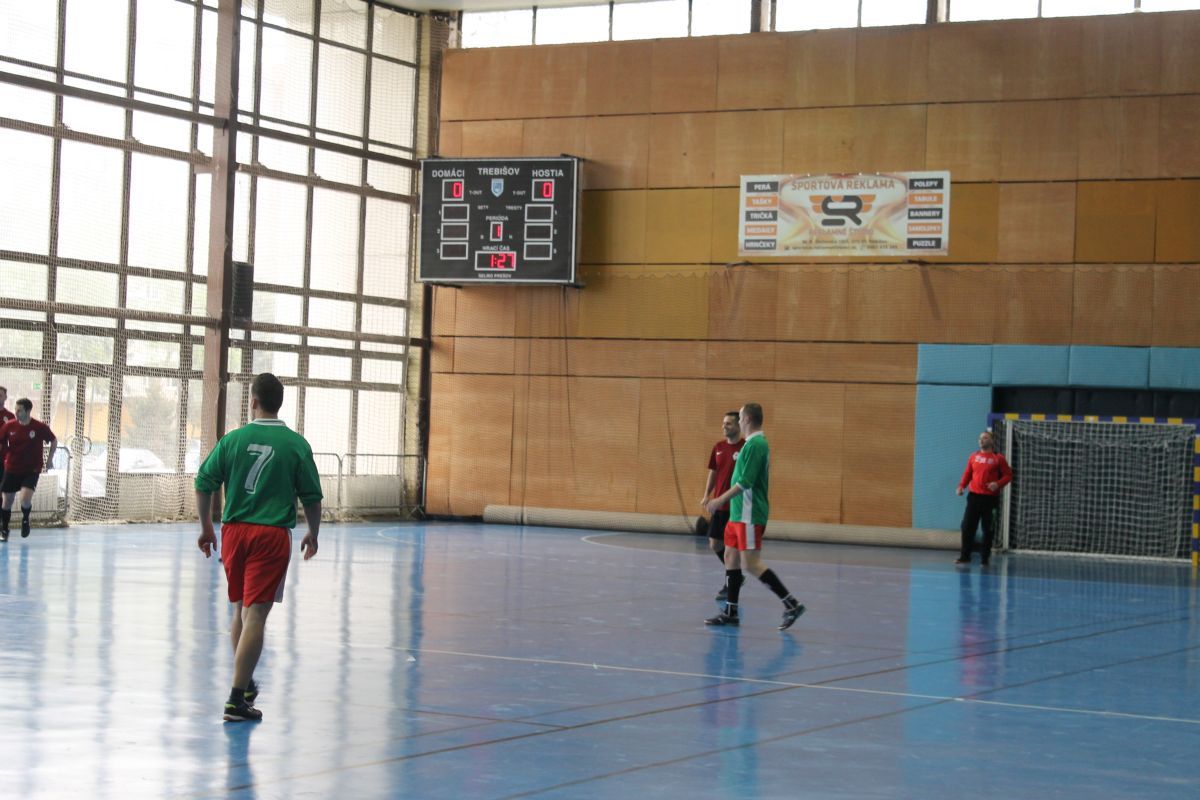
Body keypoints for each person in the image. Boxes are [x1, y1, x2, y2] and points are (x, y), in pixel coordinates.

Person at [195, 373, 323, 722]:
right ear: (279, 403)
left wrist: (206, 528)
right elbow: (312, 497)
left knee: (239, 609)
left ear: (252, 401)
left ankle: (245, 680)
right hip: (270, 535)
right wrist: (313, 532)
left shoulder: (233, 440)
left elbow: (203, 483)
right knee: (256, 615)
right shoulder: (295, 444)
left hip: (234, 532)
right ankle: (236, 700)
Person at [704, 403, 804, 630]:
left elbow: (745, 482)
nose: (739, 421)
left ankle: (791, 604)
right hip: (737, 514)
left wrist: (719, 500)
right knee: (730, 557)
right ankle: (731, 612)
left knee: (751, 563)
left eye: (740, 418)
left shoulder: (757, 445)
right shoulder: (750, 443)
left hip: (749, 514)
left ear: (747, 419)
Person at [700, 411, 744, 601]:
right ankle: (737, 577)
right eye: (723, 423)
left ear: (738, 426)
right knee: (715, 543)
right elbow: (713, 472)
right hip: (719, 505)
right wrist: (706, 495)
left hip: (736, 507)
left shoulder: (745, 448)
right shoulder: (718, 447)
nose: (724, 426)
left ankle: (730, 584)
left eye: (729, 423)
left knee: (731, 551)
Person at [0, 398, 57, 542]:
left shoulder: (39, 427)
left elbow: (53, 440)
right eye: (15, 409)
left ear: (28, 411)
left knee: (25, 499)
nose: (16, 413)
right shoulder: (9, 426)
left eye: (19, 410)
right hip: (12, 468)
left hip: (31, 469)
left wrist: (49, 459)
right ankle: (4, 529)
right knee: (7, 502)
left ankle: (25, 519)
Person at [955, 430, 1012, 567]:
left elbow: (1008, 475)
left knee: (988, 529)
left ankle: (984, 558)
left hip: (990, 500)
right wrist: (961, 486)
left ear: (991, 441)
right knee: (967, 527)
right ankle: (965, 556)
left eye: (985, 438)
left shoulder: (998, 458)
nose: (981, 440)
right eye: (980, 438)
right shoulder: (973, 456)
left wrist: (997, 484)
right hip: (974, 498)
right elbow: (968, 473)